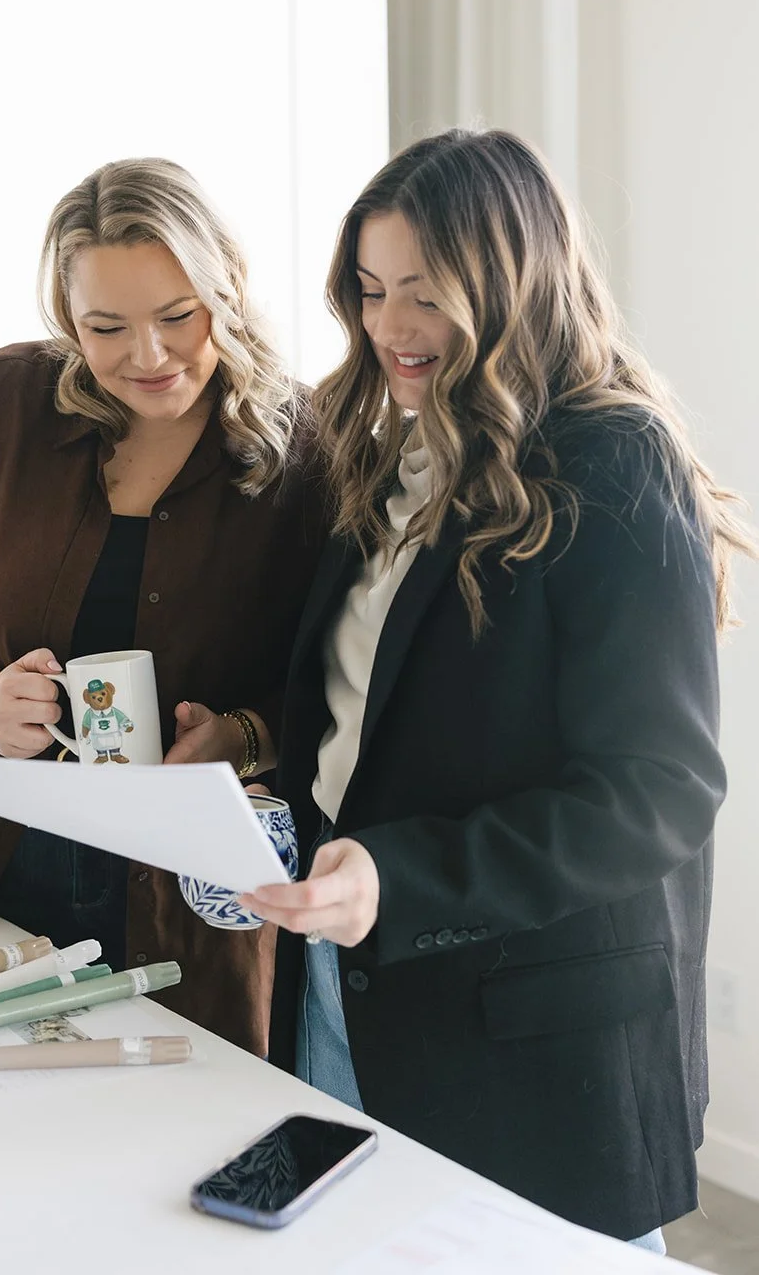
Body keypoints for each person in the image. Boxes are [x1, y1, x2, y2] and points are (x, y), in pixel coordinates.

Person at [242, 130, 753, 1247]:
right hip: (348, 985)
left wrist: (399, 876)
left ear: (508, 283)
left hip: (531, 1039)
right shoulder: (383, 454)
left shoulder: (615, 461)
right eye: (369, 293)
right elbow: (368, 712)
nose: (387, 328)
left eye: (421, 295)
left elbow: (655, 794)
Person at [0, 158, 325, 1057]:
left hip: (200, 892)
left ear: (229, 287)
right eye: (106, 326)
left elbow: (344, 680)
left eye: (178, 317)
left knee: (184, 1146)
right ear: (68, 319)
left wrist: (243, 736)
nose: (148, 356)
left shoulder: (308, 453)